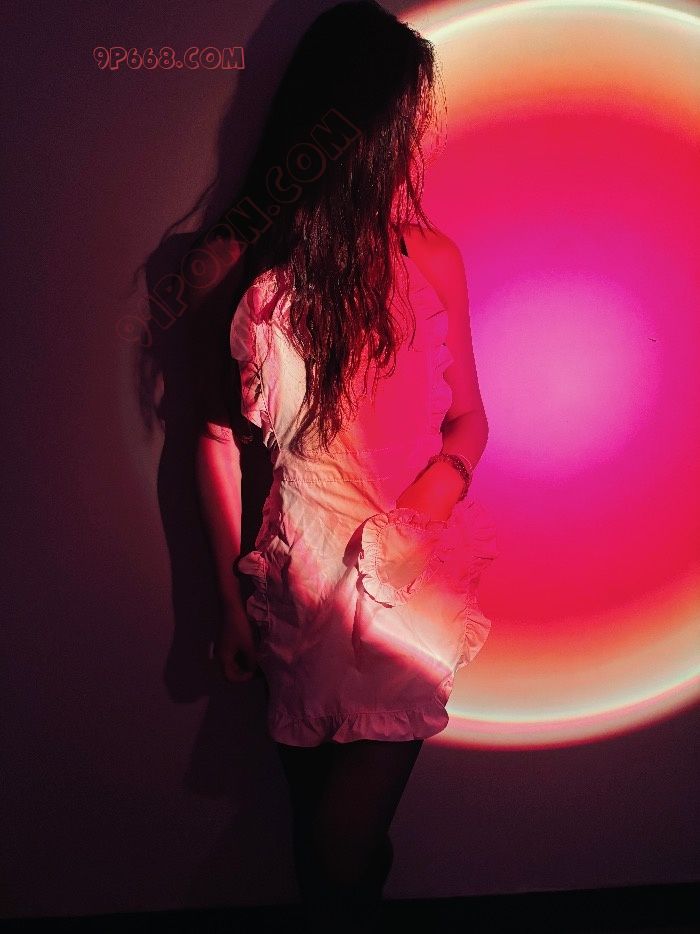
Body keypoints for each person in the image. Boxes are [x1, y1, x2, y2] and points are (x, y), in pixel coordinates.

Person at [193, 3, 499, 930]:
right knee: (320, 838)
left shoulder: (431, 259)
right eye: (402, 117)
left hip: (406, 589)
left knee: (341, 837)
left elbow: (471, 419)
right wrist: (227, 602)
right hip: (296, 582)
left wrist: (440, 486)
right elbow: (215, 438)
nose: (411, 141)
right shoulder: (238, 265)